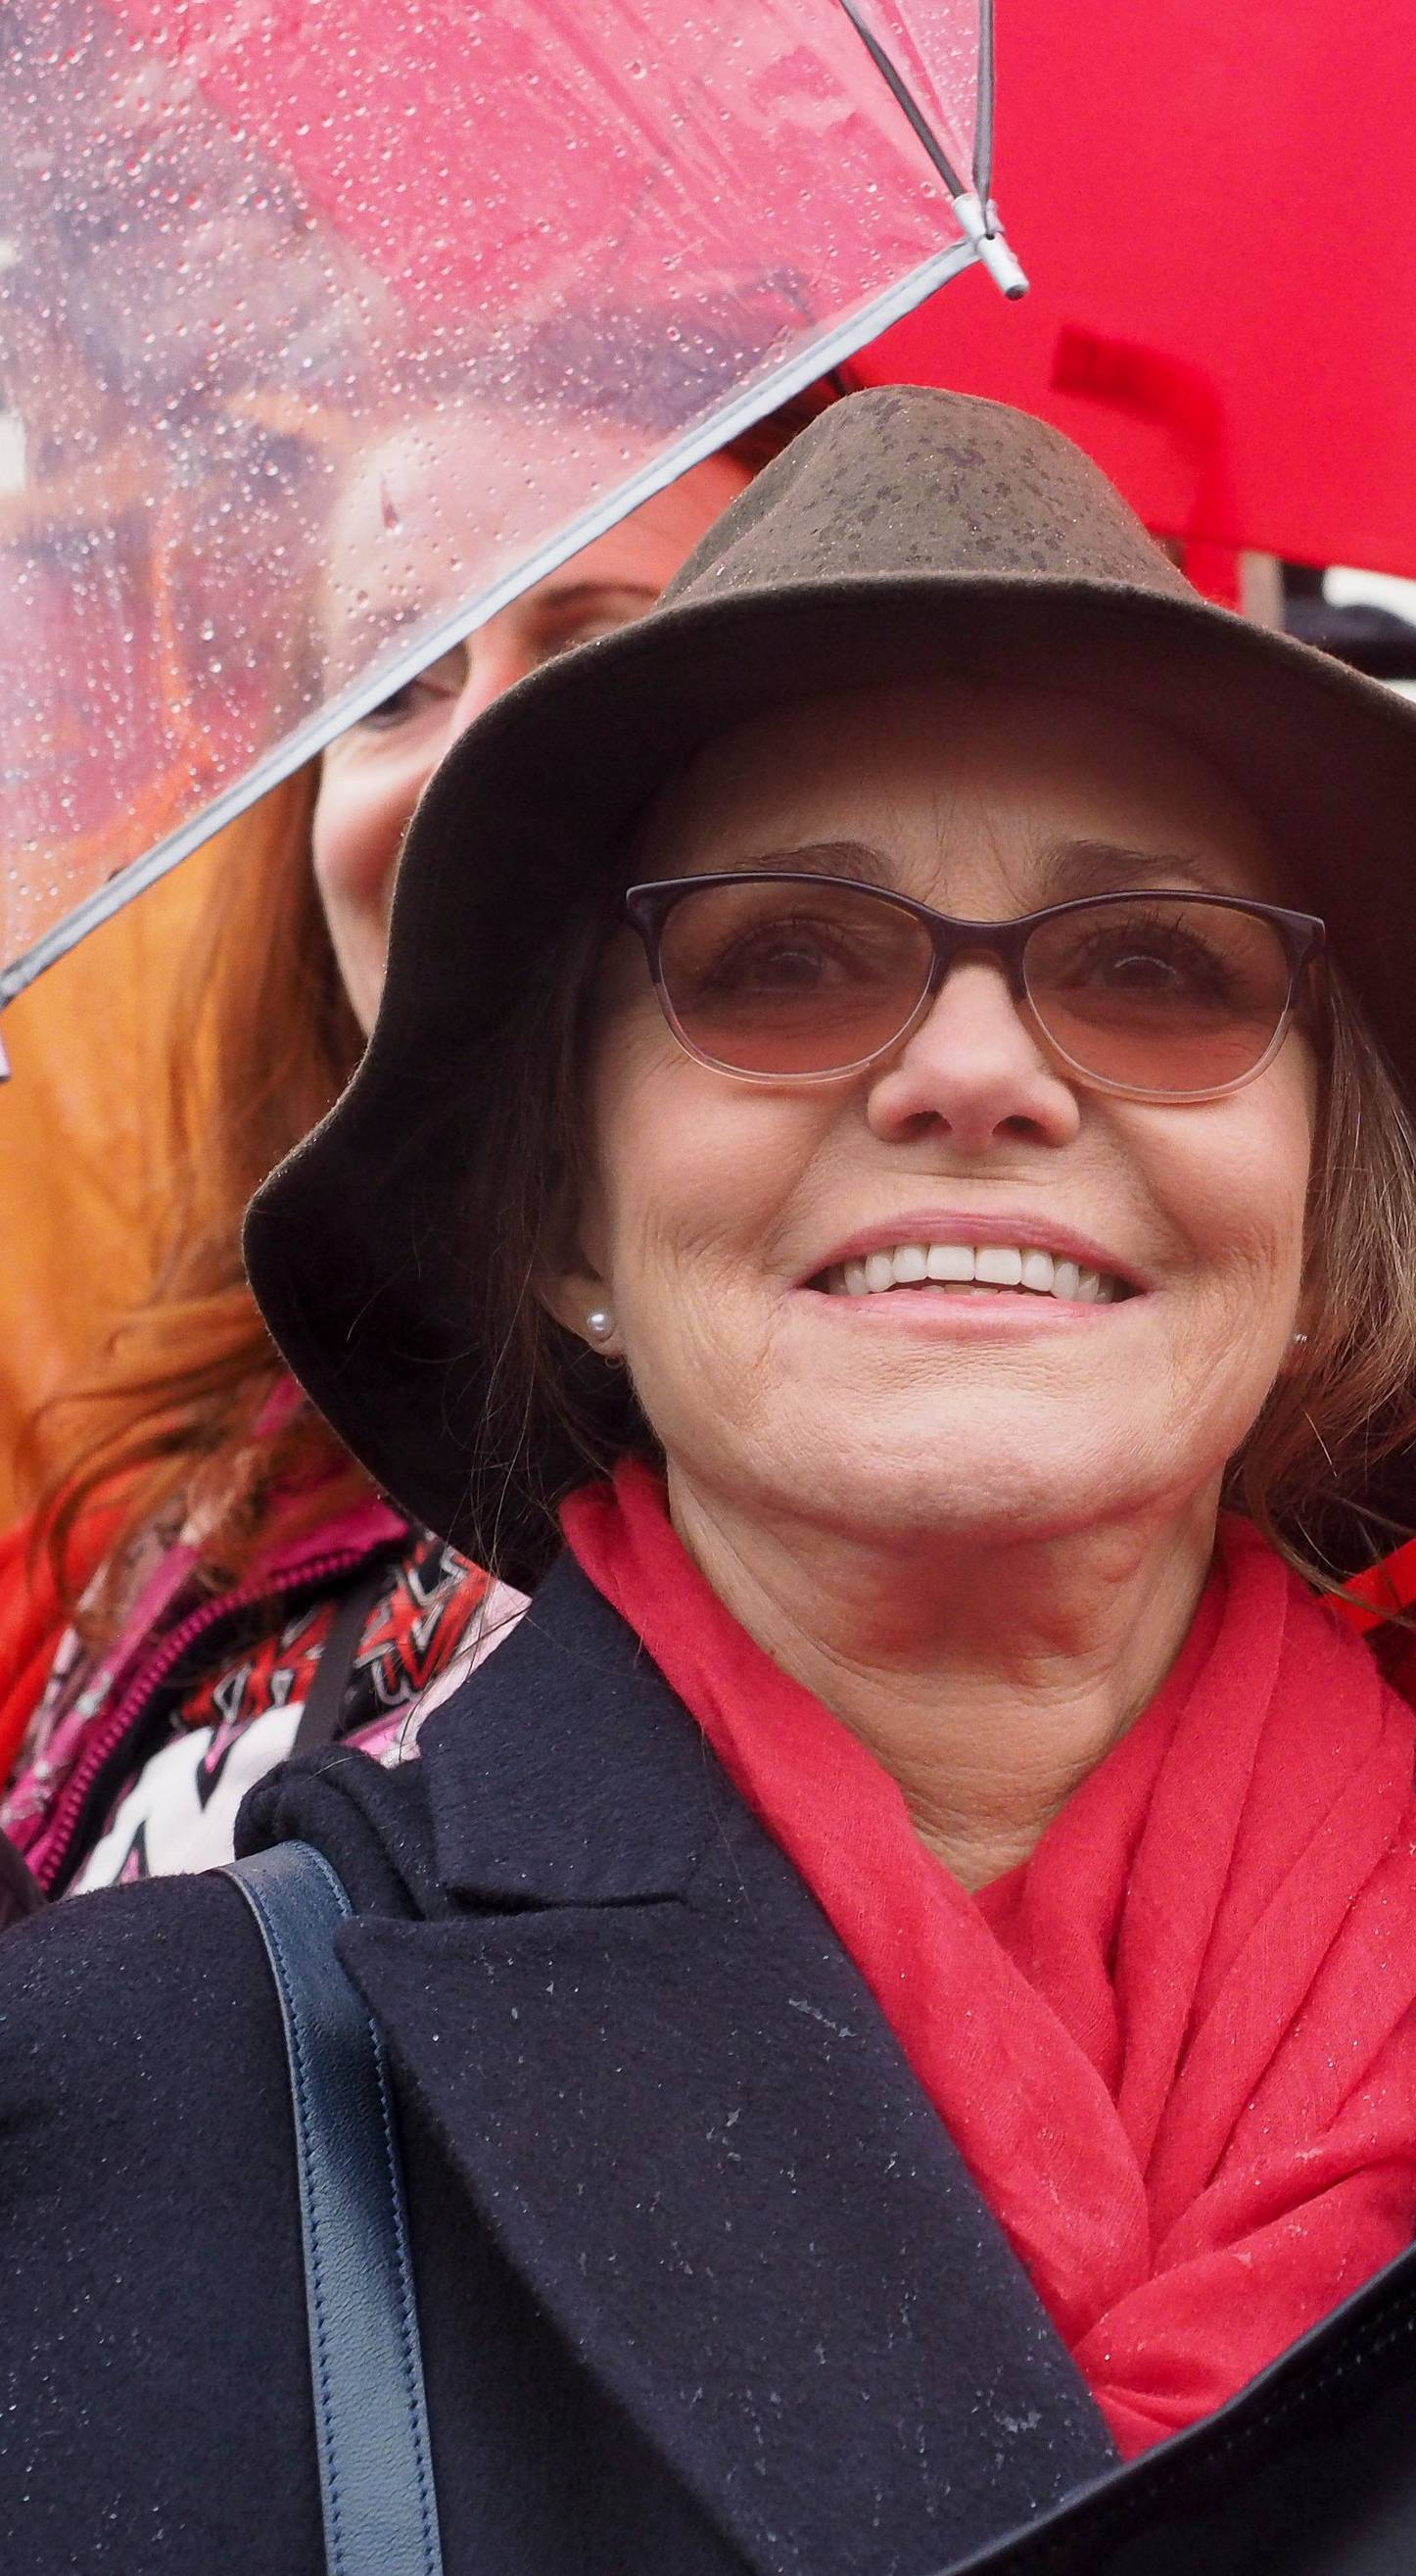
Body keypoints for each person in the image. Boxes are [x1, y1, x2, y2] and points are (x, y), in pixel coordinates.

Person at [3, 388, 1416, 2570]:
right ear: (569, 1218)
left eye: (1154, 965)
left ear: (1318, 1214)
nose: (974, 1071)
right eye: (782, 955)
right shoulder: (131, 2115)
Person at [0, 385, 834, 1903]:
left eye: (594, 657)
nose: (457, 765)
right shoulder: (206, 1467)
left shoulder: (939, 1498)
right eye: (391, 682)